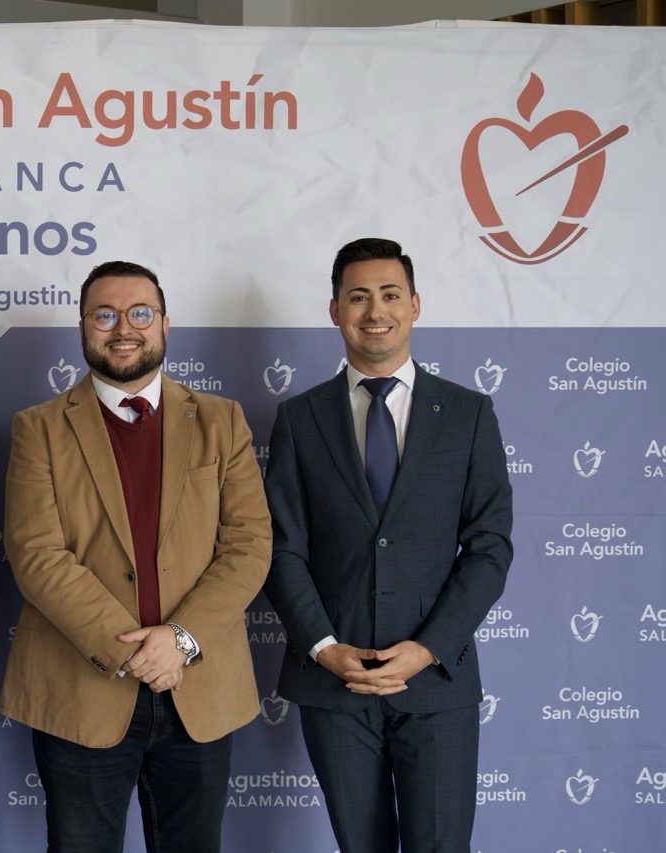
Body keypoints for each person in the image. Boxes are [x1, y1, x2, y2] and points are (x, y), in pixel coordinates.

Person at [0, 260, 272, 853]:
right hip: (81, 690)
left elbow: (249, 544)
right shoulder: (38, 428)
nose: (123, 328)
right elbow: (37, 555)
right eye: (105, 314)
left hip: (199, 689)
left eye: (139, 313)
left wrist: (177, 640)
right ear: (82, 329)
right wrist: (137, 653)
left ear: (165, 325)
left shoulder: (223, 422)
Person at [263, 237, 513, 852]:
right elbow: (281, 546)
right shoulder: (298, 419)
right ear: (334, 310)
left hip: (437, 681)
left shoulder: (468, 413)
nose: (375, 311)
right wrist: (323, 647)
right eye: (358, 296)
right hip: (333, 681)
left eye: (390, 294)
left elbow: (489, 547)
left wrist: (428, 649)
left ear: (415, 304)